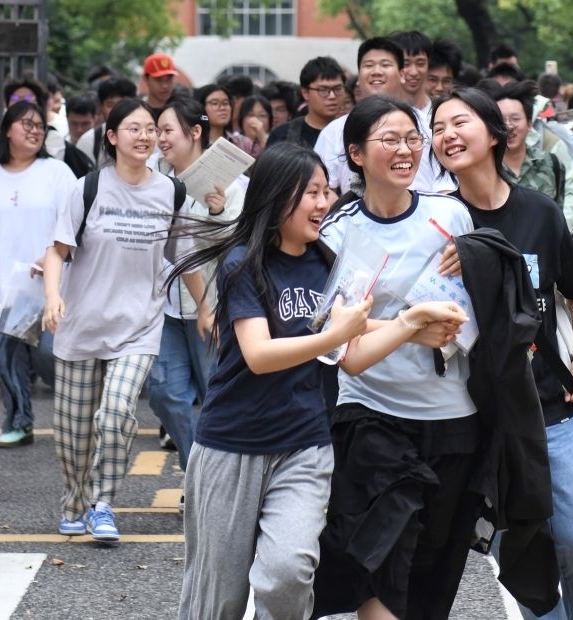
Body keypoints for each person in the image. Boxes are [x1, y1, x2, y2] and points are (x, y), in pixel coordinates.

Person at [172, 140, 465, 619]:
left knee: (289, 573)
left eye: (326, 191)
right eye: (311, 192)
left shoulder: (328, 263)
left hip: (304, 446)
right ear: (277, 196)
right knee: (217, 599)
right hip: (231, 445)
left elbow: (349, 355)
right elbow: (260, 355)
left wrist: (411, 325)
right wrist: (339, 334)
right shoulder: (243, 265)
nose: (324, 203)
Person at [432, 87, 573, 620]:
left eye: (459, 123)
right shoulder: (438, 221)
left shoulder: (539, 211)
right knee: (524, 555)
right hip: (476, 414)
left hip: (549, 405)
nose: (447, 135)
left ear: (495, 134)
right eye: (437, 128)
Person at [312, 96, 479, 620]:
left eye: (412, 139)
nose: (406, 150)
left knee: (433, 565)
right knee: (381, 560)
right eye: (390, 139)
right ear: (356, 154)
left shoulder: (450, 214)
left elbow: (479, 304)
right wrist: (411, 329)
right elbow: (335, 335)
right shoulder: (338, 231)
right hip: (372, 414)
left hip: (452, 414)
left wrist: (477, 264)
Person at [41, 99, 204, 542]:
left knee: (115, 412)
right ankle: (75, 500)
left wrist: (206, 308)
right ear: (112, 137)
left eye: (152, 128)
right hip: (81, 326)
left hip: (138, 327)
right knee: (73, 435)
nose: (145, 136)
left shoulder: (171, 193)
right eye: (134, 128)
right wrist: (53, 297)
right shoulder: (87, 189)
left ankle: (103, 504)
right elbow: (57, 251)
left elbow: (186, 260)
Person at [0, 101, 74, 447]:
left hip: (48, 286)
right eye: (26, 124)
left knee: (49, 356)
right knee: (1, 361)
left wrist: (52, 257)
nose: (35, 130)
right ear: (7, 131)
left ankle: (81, 410)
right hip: (3, 287)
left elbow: (75, 224)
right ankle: (19, 420)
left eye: (40, 125)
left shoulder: (56, 172)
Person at [149, 97, 240, 482]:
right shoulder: (154, 181)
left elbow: (237, 244)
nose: (160, 139)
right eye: (157, 131)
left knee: (215, 396)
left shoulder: (233, 182)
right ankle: (196, 472)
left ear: (196, 132)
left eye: (167, 130)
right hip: (165, 307)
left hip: (212, 307)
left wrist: (217, 212)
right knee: (163, 391)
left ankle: (218, 479)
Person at [314, 37, 455, 196]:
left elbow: (445, 184)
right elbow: (324, 190)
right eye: (369, 65)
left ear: (402, 74)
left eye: (385, 65)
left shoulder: (427, 124)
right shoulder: (333, 131)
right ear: (358, 77)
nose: (376, 71)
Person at [491, 80, 565, 205]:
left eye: (515, 118)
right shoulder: (485, 168)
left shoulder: (551, 163)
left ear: (530, 123)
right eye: (501, 120)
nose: (508, 126)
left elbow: (557, 212)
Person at [268, 57, 345, 149]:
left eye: (338, 89)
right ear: (305, 93)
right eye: (323, 90)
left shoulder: (352, 132)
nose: (332, 96)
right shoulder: (283, 136)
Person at [76, 77, 138, 167]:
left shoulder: (148, 138)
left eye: (123, 104)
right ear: (101, 107)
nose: (117, 110)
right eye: (110, 105)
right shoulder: (89, 141)